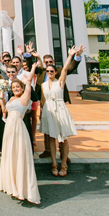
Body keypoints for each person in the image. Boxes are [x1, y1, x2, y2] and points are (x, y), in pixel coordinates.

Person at [0, 74, 40, 204]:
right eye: (14, 87)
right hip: (9, 128)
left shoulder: (24, 98)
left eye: (18, 87)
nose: (16, 88)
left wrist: (28, 79)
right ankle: (12, 185)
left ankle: (23, 187)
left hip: (18, 127)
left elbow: (28, 87)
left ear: (22, 88)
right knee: (10, 155)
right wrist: (2, 100)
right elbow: (5, 110)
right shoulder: (11, 98)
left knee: (20, 155)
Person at [40, 47, 80, 177]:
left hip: (60, 108)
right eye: (47, 71)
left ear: (55, 72)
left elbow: (64, 69)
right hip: (49, 109)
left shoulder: (60, 82)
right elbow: (43, 99)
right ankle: (54, 163)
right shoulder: (43, 85)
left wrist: (70, 56)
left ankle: (63, 163)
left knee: (63, 138)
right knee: (51, 137)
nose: (49, 72)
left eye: (51, 71)